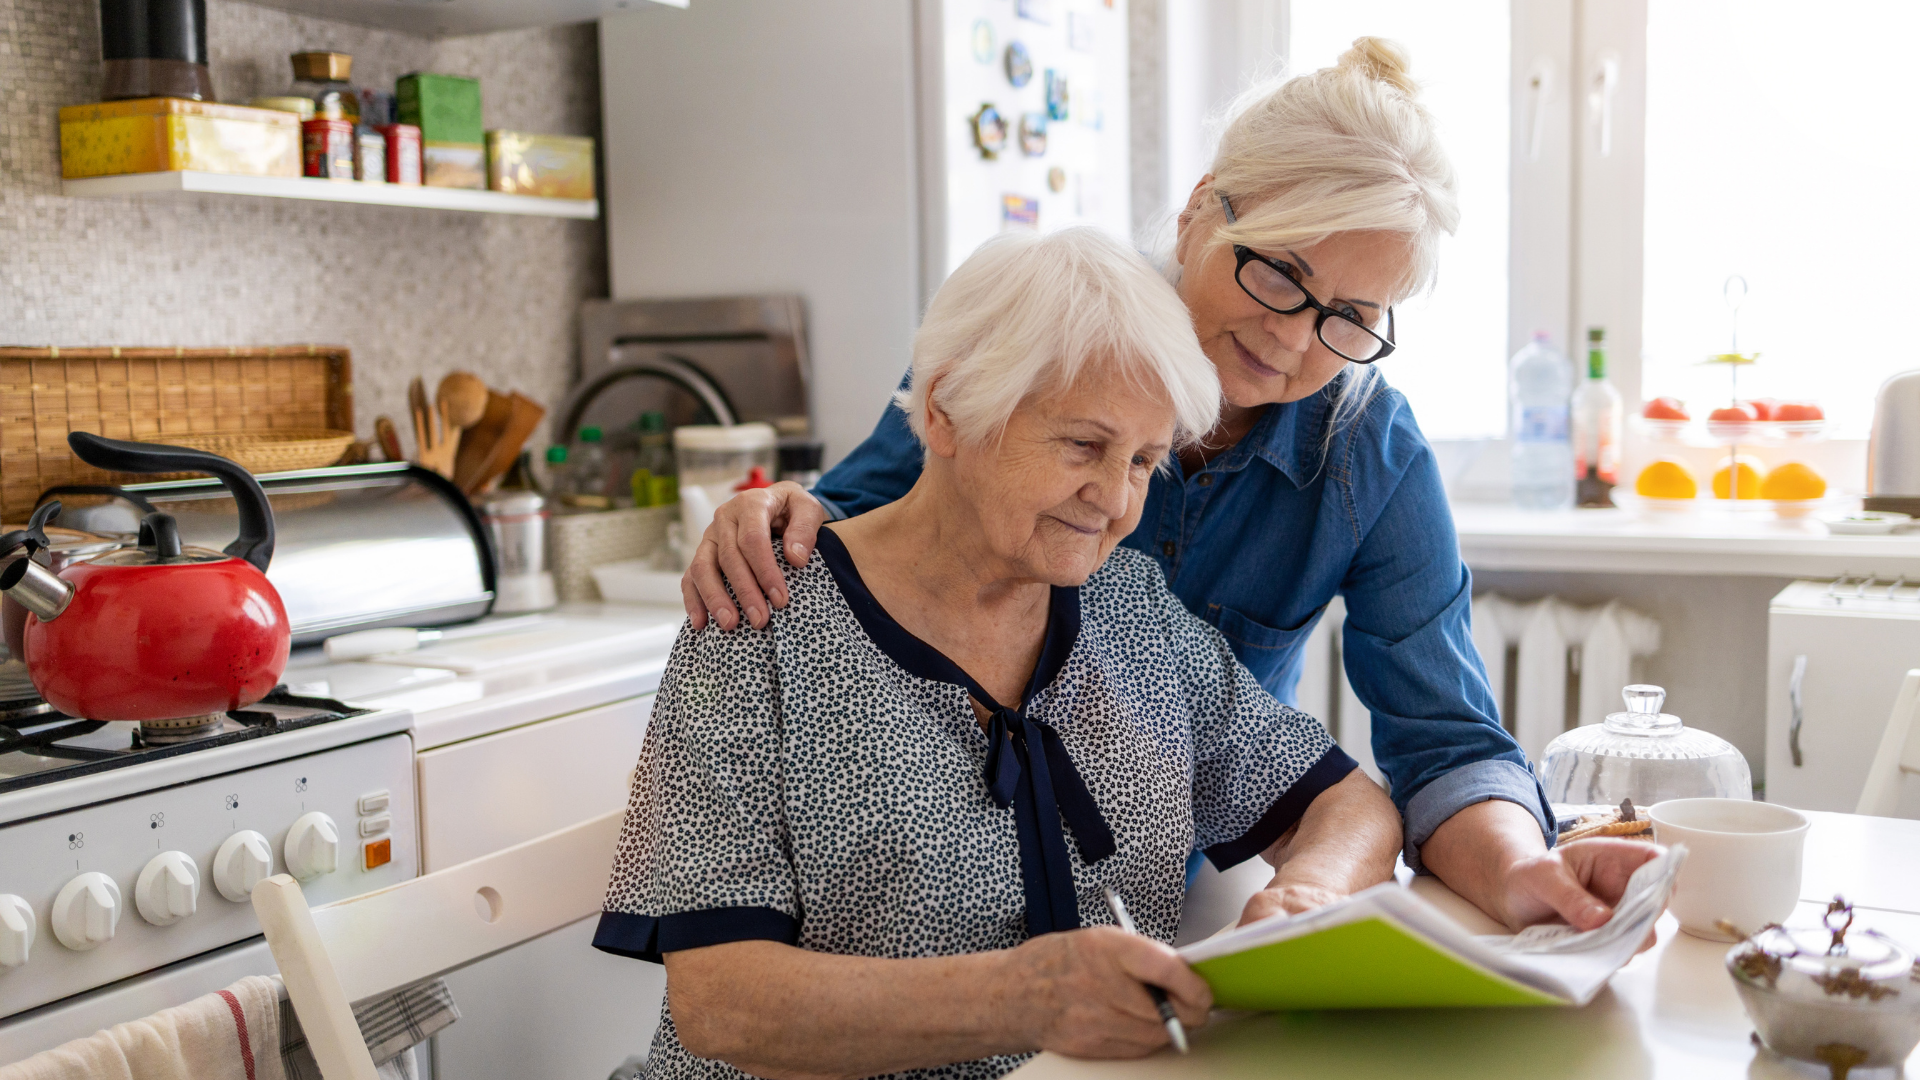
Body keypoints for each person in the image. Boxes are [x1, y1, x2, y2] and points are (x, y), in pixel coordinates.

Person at [680, 38, 1660, 932]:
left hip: (1160, 893)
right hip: (926, 888)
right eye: (1279, 273)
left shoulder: (1370, 455)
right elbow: (859, 532)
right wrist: (775, 515)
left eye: (1349, 315)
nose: (1289, 336)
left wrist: (1523, 868)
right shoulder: (1036, 337)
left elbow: (1445, 745)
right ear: (1200, 210)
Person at [594, 227, 1403, 1078]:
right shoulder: (761, 618)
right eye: (1083, 446)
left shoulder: (1132, 612)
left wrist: (1305, 898)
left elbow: (1351, 806)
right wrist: (1019, 998)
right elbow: (722, 1003)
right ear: (945, 410)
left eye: (1144, 460)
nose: (1114, 498)